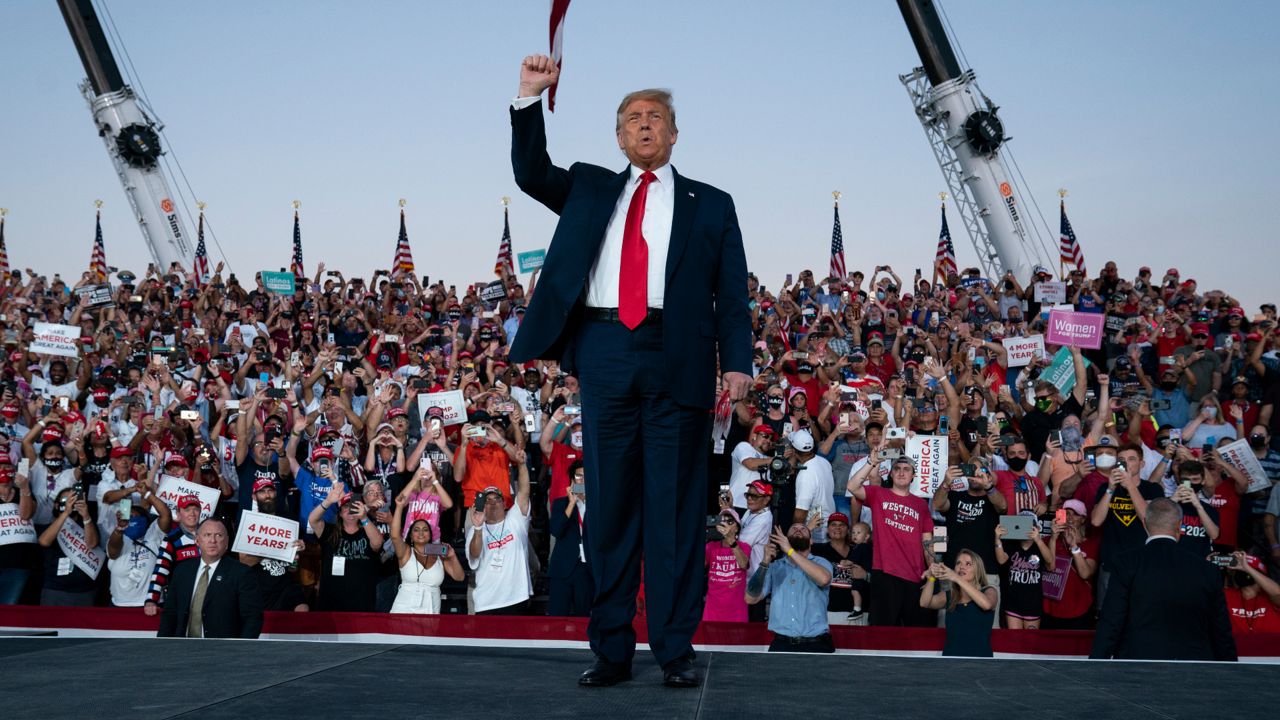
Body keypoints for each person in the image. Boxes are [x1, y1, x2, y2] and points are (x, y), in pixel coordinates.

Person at [507, 55, 751, 689]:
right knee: (611, 509)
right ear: (618, 137)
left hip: (681, 357)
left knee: (673, 513)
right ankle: (611, 649)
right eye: (633, 119)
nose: (645, 127)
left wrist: (740, 365)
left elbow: (733, 294)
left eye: (656, 118)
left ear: (674, 134)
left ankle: (675, 650)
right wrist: (530, 97)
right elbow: (531, 171)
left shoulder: (714, 204)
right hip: (606, 350)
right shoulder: (589, 187)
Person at [1090, 498, 1236, 661]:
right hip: (1194, 665)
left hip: (1137, 663)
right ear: (1179, 526)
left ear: (1144, 523)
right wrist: (1229, 670)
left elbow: (1112, 619)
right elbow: (1220, 628)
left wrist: (1096, 664)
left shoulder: (1126, 563)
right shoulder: (1207, 569)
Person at [848, 455, 934, 627]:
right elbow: (852, 486)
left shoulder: (921, 504)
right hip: (885, 572)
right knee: (881, 632)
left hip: (914, 575)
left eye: (906, 469)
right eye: (897, 469)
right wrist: (871, 462)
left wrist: (931, 566)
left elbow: (927, 540)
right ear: (891, 474)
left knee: (913, 634)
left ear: (913, 476)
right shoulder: (878, 494)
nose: (901, 472)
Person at [157, 518, 264, 639]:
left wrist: (241, 651)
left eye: (219, 535)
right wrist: (162, 647)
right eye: (207, 535)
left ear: (227, 542)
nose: (212, 540)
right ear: (197, 540)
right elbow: (170, 614)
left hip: (225, 651)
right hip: (183, 649)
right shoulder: (182, 570)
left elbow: (253, 618)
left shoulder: (242, 573)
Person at [745, 524, 834, 653]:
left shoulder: (821, 562)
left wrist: (790, 551)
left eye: (803, 529)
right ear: (785, 539)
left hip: (816, 643)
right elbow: (750, 598)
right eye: (794, 529)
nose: (798, 530)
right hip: (782, 643)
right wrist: (764, 562)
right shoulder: (775, 566)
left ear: (811, 541)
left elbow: (824, 579)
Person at [465, 451, 533, 615]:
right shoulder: (475, 531)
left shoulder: (515, 520)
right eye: (487, 500)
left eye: (497, 499)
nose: (493, 503)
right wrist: (479, 528)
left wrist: (522, 464)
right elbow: (474, 554)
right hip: (487, 602)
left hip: (517, 598)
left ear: (504, 504)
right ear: (482, 506)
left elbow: (524, 492)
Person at [308, 482, 385, 612]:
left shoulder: (367, 530)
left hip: (362, 602)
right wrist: (327, 501)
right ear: (340, 513)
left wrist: (364, 518)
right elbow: (313, 520)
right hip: (331, 602)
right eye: (345, 507)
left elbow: (377, 543)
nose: (349, 510)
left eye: (354, 507)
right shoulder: (330, 531)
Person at [389, 483, 464, 614]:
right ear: (411, 536)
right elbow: (395, 536)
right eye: (416, 530)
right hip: (404, 610)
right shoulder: (406, 551)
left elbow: (459, 577)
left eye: (425, 530)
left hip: (431, 611)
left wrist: (452, 556)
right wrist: (399, 507)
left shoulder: (439, 552)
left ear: (431, 534)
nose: (421, 533)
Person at [919, 551, 998, 657]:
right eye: (958, 563)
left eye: (968, 564)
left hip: (980, 663)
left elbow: (986, 604)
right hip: (951, 662)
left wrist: (957, 578)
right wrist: (932, 577)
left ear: (978, 570)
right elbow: (925, 603)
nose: (962, 567)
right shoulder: (950, 595)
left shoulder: (989, 591)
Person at [548, 462, 594, 617]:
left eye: (586, 476)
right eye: (579, 476)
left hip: (587, 569)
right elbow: (556, 530)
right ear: (572, 480)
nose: (582, 480)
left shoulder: (598, 505)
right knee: (557, 618)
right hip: (562, 568)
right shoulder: (561, 503)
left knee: (583, 619)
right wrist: (572, 503)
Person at [810, 512, 869, 625]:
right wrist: (808, 528)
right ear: (827, 529)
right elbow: (793, 551)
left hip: (859, 613)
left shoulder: (862, 550)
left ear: (848, 530)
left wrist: (866, 575)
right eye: (833, 524)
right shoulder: (818, 550)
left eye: (842, 525)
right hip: (829, 612)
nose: (837, 527)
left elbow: (879, 578)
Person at [994, 518, 1053, 629]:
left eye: (1028, 526)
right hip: (1013, 602)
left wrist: (1038, 540)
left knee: (1030, 642)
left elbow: (1050, 560)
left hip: (1033, 604)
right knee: (1015, 640)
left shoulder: (1040, 546)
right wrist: (997, 539)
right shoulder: (1012, 545)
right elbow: (1001, 560)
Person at [702, 508, 750, 622]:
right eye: (722, 521)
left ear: (737, 528)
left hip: (737, 612)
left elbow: (744, 564)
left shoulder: (744, 547)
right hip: (713, 612)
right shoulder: (710, 547)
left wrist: (731, 540)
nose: (725, 524)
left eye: (730, 521)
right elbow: (697, 568)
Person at [790, 429, 834, 542]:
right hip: (828, 525)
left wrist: (794, 537)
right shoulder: (824, 462)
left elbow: (801, 513)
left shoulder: (805, 474)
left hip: (815, 536)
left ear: (794, 451)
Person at [1221, 551, 1280, 634]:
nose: (1245, 575)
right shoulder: (1226, 595)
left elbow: (1278, 594)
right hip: (1237, 645)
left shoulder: (1270, 597)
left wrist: (1247, 568)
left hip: (1270, 645)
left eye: (1249, 572)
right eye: (1240, 571)